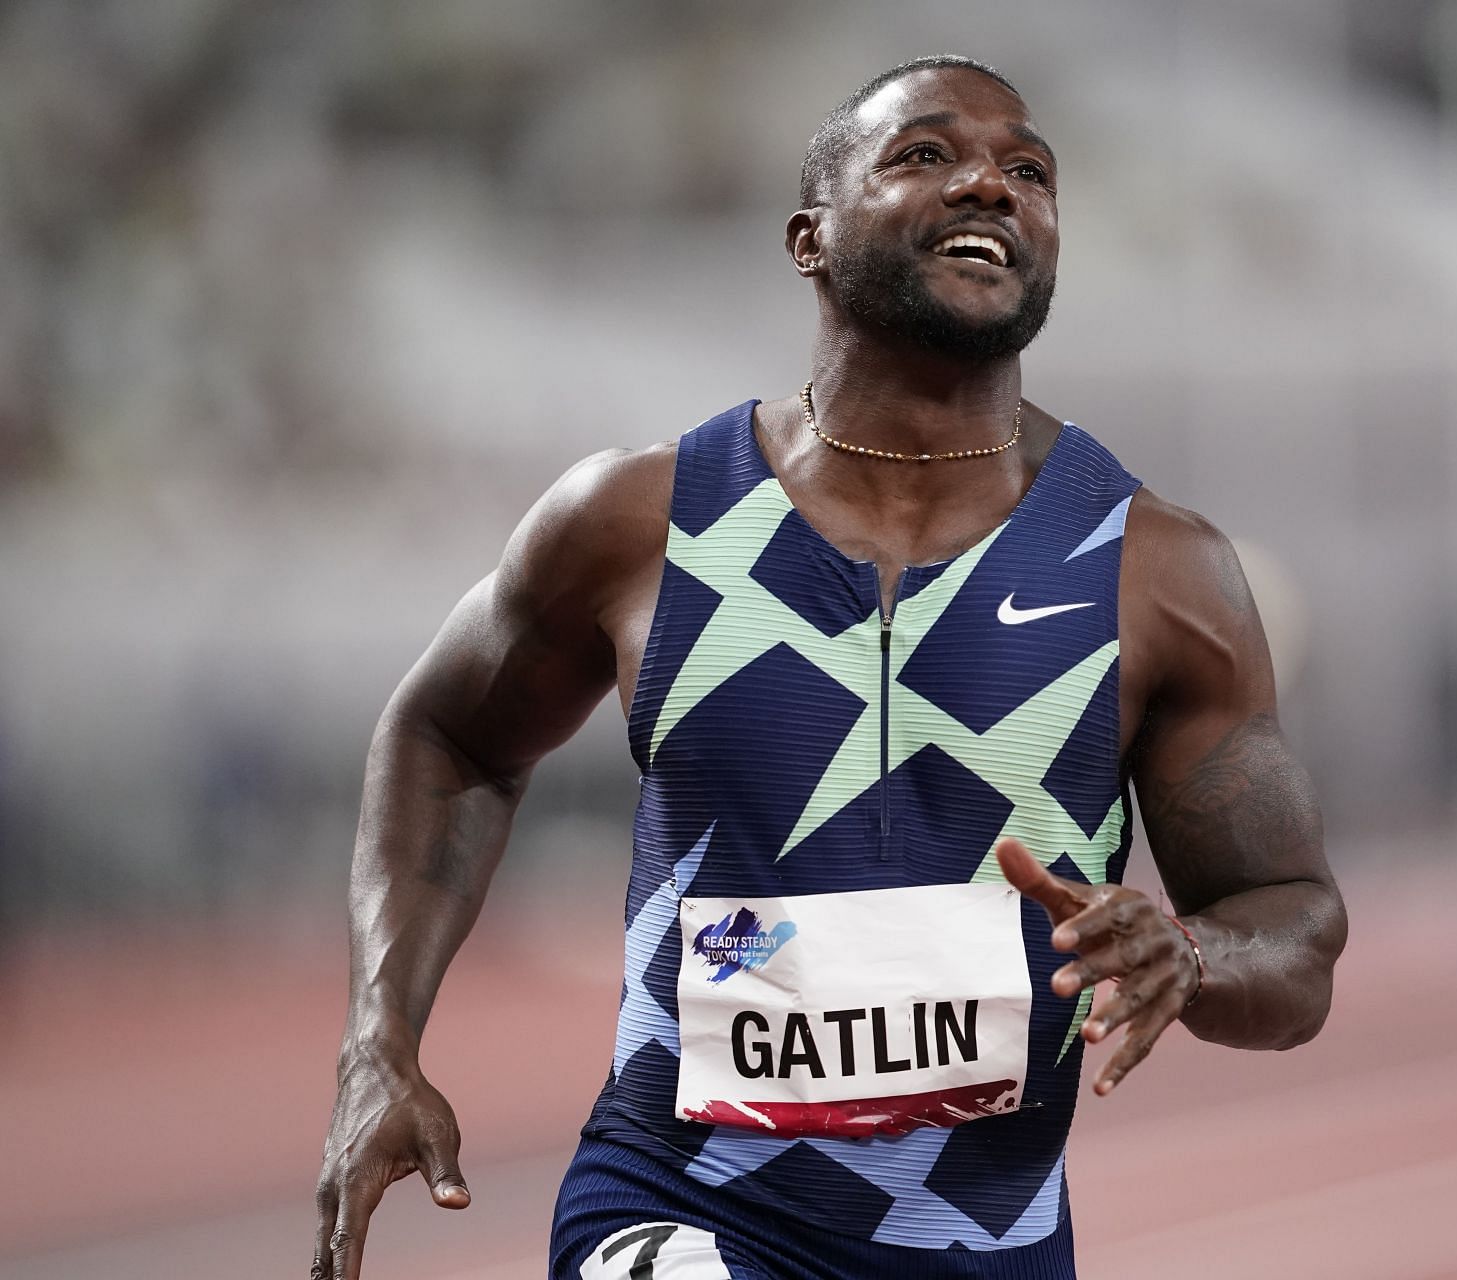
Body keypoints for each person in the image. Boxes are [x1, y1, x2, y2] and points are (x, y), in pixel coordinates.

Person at [312, 54, 1346, 1280]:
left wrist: (1193, 953)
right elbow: (449, 737)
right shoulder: (640, 522)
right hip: (677, 1199)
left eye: (1030, 173)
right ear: (809, 237)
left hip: (982, 1242)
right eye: (924, 154)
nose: (990, 186)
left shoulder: (1159, 574)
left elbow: (1296, 928)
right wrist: (379, 1036)